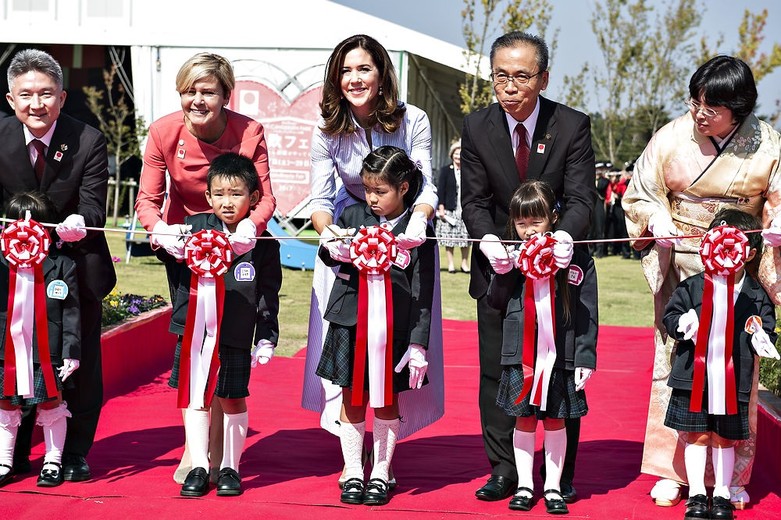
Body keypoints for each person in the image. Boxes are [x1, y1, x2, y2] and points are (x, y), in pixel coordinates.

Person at [622, 55, 781, 509]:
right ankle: (670, 469)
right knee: (675, 369)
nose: (699, 114)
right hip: (681, 265)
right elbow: (641, 192)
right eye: (696, 102)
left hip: (736, 275)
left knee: (737, 370)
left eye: (711, 107)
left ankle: (731, 476)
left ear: (740, 107)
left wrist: (774, 225)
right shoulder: (672, 136)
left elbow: (779, 200)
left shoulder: (768, 145)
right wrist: (655, 217)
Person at [301, 34, 444, 488]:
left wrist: (417, 222)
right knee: (350, 363)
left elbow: (426, 184)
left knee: (393, 359)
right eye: (345, 70)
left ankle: (383, 462)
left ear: (382, 73)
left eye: (363, 68)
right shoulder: (326, 129)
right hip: (347, 247)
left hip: (406, 245)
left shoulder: (413, 119)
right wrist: (334, 236)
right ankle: (350, 463)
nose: (354, 79)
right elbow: (320, 199)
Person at [460, 31, 596, 503]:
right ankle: (503, 470)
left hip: (558, 273)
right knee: (498, 371)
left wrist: (563, 237)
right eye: (501, 75)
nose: (510, 86)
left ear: (543, 78)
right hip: (500, 270)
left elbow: (582, 197)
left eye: (521, 76)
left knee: (559, 368)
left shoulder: (573, 125)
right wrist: (489, 240)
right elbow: (473, 200)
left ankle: (560, 474)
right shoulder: (476, 127)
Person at [134, 52, 276, 484]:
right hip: (187, 246)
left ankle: (220, 452)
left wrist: (249, 228)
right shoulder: (162, 131)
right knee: (197, 339)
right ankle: (196, 452)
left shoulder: (249, 131)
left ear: (225, 95)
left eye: (207, 91)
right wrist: (160, 231)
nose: (197, 99)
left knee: (227, 337)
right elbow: (146, 199)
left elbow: (266, 196)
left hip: (238, 240)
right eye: (189, 91)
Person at [0, 48, 116, 481]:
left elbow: (94, 208)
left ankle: (74, 453)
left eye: (46, 94)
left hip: (74, 268)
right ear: (11, 99)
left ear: (62, 97)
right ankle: (14, 454)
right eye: (26, 95)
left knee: (78, 364)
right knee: (15, 358)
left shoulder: (88, 139)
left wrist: (78, 223)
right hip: (9, 273)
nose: (36, 104)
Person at [317, 146, 436, 506]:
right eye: (367, 189)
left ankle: (381, 470)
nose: (371, 198)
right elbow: (327, 254)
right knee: (352, 396)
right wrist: (332, 246)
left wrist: (418, 343)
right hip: (349, 322)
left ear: (403, 187)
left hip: (394, 329)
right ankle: (353, 470)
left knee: (386, 399)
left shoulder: (417, 231)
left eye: (380, 191)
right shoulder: (352, 214)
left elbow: (423, 289)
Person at [167, 152, 281, 497]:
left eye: (236, 194)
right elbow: (169, 262)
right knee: (195, 397)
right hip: (194, 334)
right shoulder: (194, 229)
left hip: (234, 334)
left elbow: (267, 294)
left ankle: (229, 466)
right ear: (208, 196)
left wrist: (267, 337)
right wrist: (165, 239)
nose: (226, 202)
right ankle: (199, 465)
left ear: (254, 198)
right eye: (219, 194)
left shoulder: (263, 243)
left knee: (232, 398)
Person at [487, 181, 597, 514]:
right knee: (522, 421)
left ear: (553, 217)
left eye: (536, 221)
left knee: (555, 422)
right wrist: (503, 272)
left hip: (561, 356)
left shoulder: (575, 257)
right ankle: (523, 485)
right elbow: (495, 302)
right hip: (521, 357)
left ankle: (553, 486)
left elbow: (588, 312)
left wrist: (585, 357)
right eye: (521, 223)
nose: (528, 230)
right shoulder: (512, 255)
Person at [662, 209, 779, 520]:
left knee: (725, 437)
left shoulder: (756, 294)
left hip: (734, 378)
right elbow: (670, 317)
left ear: (749, 252)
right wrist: (683, 324)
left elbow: (767, 326)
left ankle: (724, 493)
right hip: (692, 376)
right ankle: (698, 493)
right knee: (697, 434)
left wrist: (762, 339)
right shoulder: (692, 286)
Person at [0, 192, 81, 488]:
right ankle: (4, 460)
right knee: (6, 402)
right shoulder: (1, 261)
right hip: (5, 349)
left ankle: (52, 461)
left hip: (47, 351)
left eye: (33, 223)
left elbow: (71, 312)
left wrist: (71, 352)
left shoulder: (61, 264)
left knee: (51, 402)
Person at [436, 138, 471, 274]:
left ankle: (464, 263)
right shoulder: (445, 170)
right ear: (452, 155)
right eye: (456, 154)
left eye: (460, 154)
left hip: (464, 209)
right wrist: (441, 207)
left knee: (465, 238)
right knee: (449, 239)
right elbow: (441, 189)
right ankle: (450, 264)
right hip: (450, 209)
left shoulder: (468, 170)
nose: (458, 156)